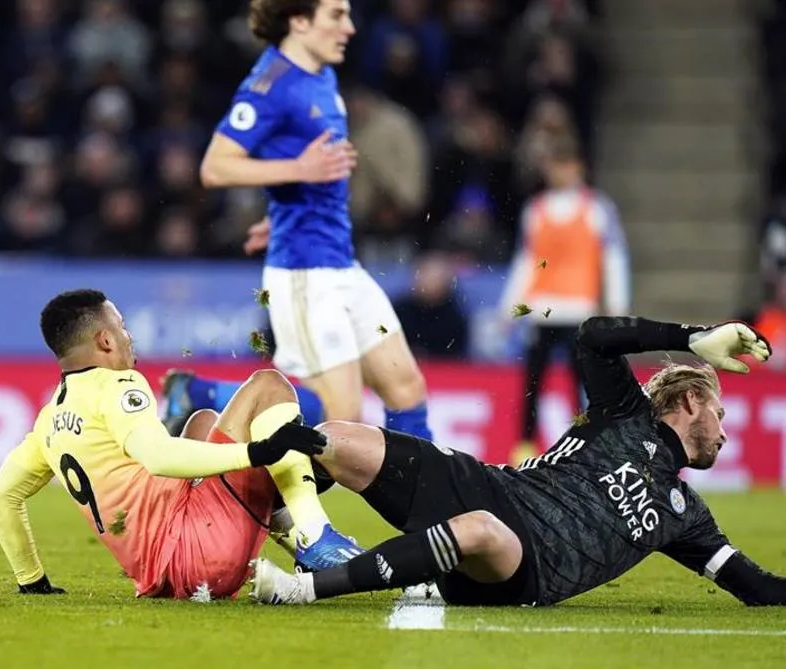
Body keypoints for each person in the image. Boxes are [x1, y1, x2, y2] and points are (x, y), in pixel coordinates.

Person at [249, 316, 786, 607]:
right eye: (719, 412)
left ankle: (303, 589)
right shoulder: (624, 413)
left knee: (482, 530)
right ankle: (284, 526)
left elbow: (758, 589)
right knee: (338, 438)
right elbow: (593, 335)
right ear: (690, 402)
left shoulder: (687, 516)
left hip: (524, 566)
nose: (725, 430)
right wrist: (692, 337)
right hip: (489, 486)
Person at [0, 289, 360, 599]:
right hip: (203, 555)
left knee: (203, 422)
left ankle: (301, 545)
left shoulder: (49, 418)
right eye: (122, 326)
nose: (128, 336)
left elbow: (0, 497)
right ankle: (315, 536)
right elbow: (157, 457)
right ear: (105, 339)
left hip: (161, 578)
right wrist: (257, 452)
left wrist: (31, 579)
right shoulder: (119, 386)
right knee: (268, 385)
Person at [178, 0, 432, 446]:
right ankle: (201, 394)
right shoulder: (269, 85)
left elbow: (294, 166)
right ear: (298, 21)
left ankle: (428, 512)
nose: (350, 28)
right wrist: (300, 169)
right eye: (336, 15)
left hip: (341, 262)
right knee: (340, 418)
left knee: (406, 387)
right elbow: (215, 167)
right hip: (304, 272)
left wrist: (280, 214)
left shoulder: (322, 75)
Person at [498, 133, 630, 464]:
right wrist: (509, 308)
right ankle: (524, 449)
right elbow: (527, 261)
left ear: (578, 168)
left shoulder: (597, 208)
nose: (561, 173)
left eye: (566, 166)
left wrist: (617, 305)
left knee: (580, 386)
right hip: (542, 309)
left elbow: (613, 257)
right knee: (532, 385)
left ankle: (580, 448)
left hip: (579, 310)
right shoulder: (537, 209)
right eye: (556, 166)